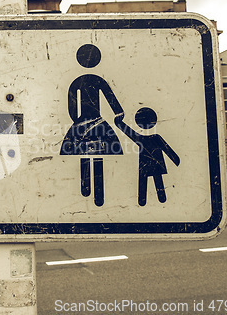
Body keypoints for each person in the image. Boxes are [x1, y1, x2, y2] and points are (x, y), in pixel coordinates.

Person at [60, 44, 124, 206]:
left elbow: (71, 106)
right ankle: (96, 195)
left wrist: (76, 121)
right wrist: (118, 113)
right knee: (98, 156)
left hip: (84, 120)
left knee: (83, 153)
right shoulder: (97, 80)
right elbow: (111, 99)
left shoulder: (78, 81)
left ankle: (86, 189)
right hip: (97, 120)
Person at [115, 107, 180, 206]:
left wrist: (119, 123)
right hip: (153, 163)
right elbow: (167, 150)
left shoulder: (143, 139)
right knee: (154, 180)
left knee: (147, 181)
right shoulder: (154, 138)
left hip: (147, 164)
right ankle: (150, 200)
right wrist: (175, 159)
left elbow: (130, 132)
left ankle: (145, 201)